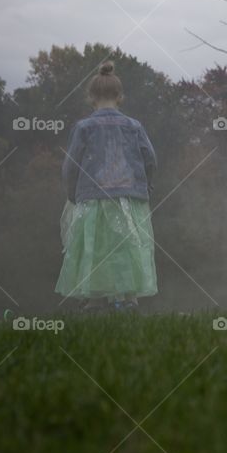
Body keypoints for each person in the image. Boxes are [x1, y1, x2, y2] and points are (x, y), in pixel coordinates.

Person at [55, 60, 158, 312]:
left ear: (90, 97)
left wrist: (72, 194)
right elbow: (151, 159)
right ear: (120, 96)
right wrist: (147, 187)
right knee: (127, 247)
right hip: (127, 197)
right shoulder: (134, 126)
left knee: (92, 247)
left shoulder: (84, 127)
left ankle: (91, 301)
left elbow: (70, 166)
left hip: (91, 198)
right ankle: (128, 299)